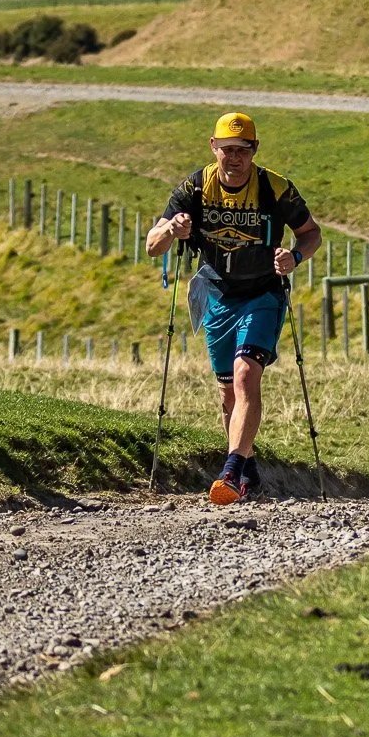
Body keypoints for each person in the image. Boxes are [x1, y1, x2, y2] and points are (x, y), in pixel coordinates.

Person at [147, 112, 322, 505]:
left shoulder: (274, 187)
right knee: (227, 391)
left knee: (246, 376)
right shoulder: (195, 187)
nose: (234, 158)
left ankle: (230, 471)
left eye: (242, 150)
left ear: (254, 150)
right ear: (214, 147)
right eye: (227, 150)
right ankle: (249, 468)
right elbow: (151, 245)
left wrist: (294, 257)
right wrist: (171, 230)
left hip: (263, 294)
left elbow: (312, 233)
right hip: (217, 295)